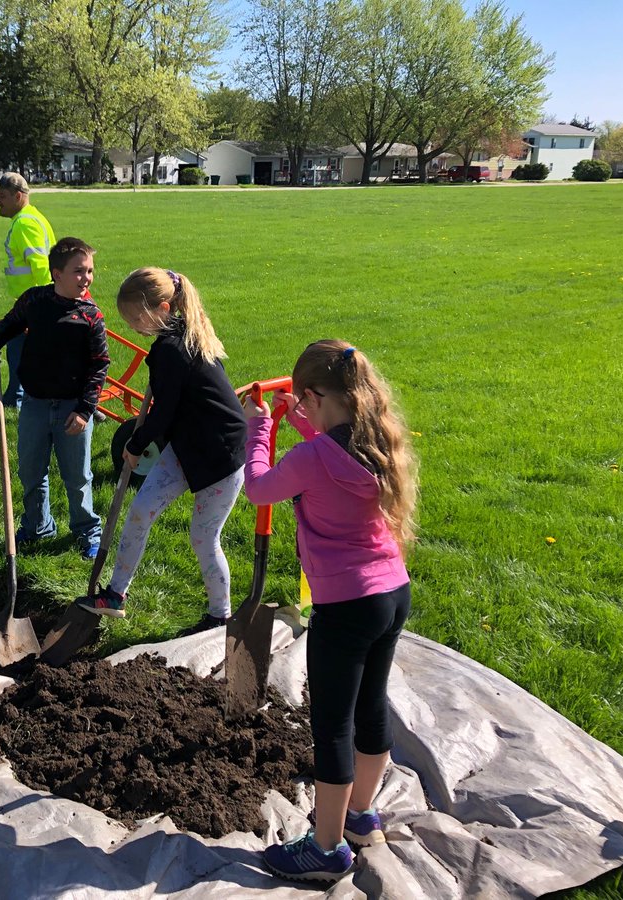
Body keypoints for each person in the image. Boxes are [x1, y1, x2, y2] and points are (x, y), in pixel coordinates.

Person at [243, 340, 417, 882]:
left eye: (305, 402)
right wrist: (305, 428)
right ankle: (363, 817)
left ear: (314, 396)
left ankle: (326, 849)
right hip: (391, 595)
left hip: (344, 607)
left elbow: (259, 488)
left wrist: (259, 429)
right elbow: (331, 462)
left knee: (333, 727)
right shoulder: (374, 443)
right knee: (371, 708)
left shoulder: (312, 459)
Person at [80, 268, 247, 632]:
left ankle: (221, 616)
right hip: (185, 444)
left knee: (204, 538)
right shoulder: (168, 345)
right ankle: (114, 596)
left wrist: (135, 445)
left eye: (137, 318)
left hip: (220, 455)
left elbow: (164, 411)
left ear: (164, 307)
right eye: (129, 321)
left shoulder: (175, 350)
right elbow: (170, 412)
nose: (134, 326)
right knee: (140, 511)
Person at [0, 236, 109, 559]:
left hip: (72, 409)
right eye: (79, 271)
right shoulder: (35, 301)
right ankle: (38, 525)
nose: (87, 278)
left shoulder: (90, 317)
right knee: (31, 470)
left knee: (77, 475)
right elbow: (11, 322)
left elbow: (99, 366)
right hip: (35, 404)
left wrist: (84, 410)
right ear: (57, 273)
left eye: (90, 271)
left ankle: (87, 531)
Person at [0, 172, 55, 408]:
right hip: (30, 300)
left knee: (18, 351)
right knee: (17, 349)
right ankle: (13, 398)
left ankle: (15, 400)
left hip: (34, 302)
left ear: (18, 196)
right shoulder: (30, 217)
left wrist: (45, 302)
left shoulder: (26, 223)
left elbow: (41, 265)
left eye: (2, 196)